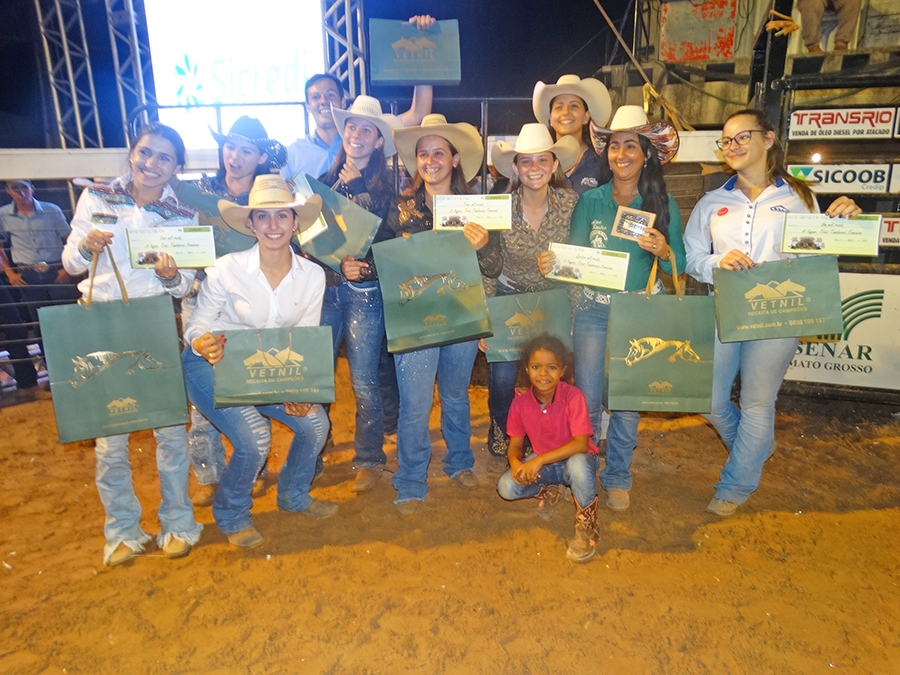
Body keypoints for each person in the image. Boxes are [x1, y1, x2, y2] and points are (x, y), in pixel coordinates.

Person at [684, 108, 860, 517]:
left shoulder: (800, 197)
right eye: (726, 141)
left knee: (757, 402)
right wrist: (716, 262)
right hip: (723, 307)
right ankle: (756, 444)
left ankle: (737, 483)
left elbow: (821, 251)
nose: (733, 146)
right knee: (708, 398)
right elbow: (692, 256)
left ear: (768, 139)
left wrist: (842, 218)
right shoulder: (712, 201)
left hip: (780, 311)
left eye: (742, 137)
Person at [61, 122, 203, 566]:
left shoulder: (182, 216)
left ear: (176, 166)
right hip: (100, 322)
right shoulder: (97, 197)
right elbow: (69, 262)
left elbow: (186, 286)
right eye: (145, 152)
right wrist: (86, 247)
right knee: (111, 440)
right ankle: (122, 531)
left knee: (170, 436)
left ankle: (179, 522)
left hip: (154, 323)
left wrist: (169, 275)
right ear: (132, 153)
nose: (151, 163)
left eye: (164, 157)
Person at [538, 105, 685, 512]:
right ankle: (581, 474)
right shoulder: (591, 202)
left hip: (637, 313)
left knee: (626, 398)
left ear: (646, 154)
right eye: (615, 146)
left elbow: (681, 266)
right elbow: (575, 260)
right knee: (585, 400)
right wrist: (555, 265)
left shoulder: (661, 203)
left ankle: (618, 475)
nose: (621, 154)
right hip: (591, 311)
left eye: (631, 146)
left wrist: (665, 249)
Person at [182, 175, 332, 548]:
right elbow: (199, 323)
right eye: (262, 217)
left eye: (282, 216)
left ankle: (293, 495)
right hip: (212, 364)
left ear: (296, 222)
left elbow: (304, 338)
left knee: (315, 423)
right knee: (255, 438)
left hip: (269, 369)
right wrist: (200, 342)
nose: (273, 226)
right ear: (250, 224)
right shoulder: (225, 268)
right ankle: (232, 514)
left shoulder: (312, 275)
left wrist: (300, 390)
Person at [386, 113, 501, 514]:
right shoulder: (399, 211)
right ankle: (411, 479)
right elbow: (383, 264)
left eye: (439, 152)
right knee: (415, 403)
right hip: (415, 318)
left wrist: (485, 245)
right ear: (416, 162)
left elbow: (494, 266)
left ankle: (459, 462)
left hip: (462, 314)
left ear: (455, 160)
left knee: (454, 394)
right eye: (423, 154)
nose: (430, 160)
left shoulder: (477, 209)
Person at [178, 116, 288, 507]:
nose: (235, 156)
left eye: (245, 150)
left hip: (251, 302)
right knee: (202, 392)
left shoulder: (268, 197)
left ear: (260, 156)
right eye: (230, 147)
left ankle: (254, 467)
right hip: (201, 298)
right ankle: (209, 472)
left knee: (253, 381)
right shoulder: (195, 194)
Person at [309, 95, 402, 493]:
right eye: (352, 127)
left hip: (365, 294)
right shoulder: (324, 182)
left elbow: (389, 242)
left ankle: (369, 457)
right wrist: (331, 262)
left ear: (379, 141)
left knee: (364, 380)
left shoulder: (389, 188)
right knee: (317, 377)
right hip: (325, 292)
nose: (357, 135)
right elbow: (307, 241)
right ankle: (311, 451)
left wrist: (359, 189)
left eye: (367, 130)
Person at [481, 124, 579, 460]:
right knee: (502, 377)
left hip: (554, 301)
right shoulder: (499, 208)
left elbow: (581, 256)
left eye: (542, 160)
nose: (534, 168)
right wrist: (485, 316)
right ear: (515, 168)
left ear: (554, 166)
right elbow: (489, 264)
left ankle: (546, 435)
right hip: (509, 297)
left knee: (550, 376)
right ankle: (501, 428)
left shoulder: (571, 204)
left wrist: (574, 311)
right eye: (526, 161)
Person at [282, 15, 436, 183]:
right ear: (308, 106)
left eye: (330, 95)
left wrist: (422, 43)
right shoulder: (292, 153)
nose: (323, 101)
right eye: (315, 97)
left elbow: (419, 112)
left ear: (343, 102)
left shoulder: (362, 138)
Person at [496, 334, 600, 562]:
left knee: (579, 464)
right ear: (527, 369)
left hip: (575, 459)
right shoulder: (520, 404)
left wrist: (538, 460)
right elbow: (515, 445)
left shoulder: (573, 397)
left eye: (551, 367)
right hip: (545, 463)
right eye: (536, 367)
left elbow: (581, 444)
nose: (543, 374)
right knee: (505, 487)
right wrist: (516, 464)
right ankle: (551, 488)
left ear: (562, 370)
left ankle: (586, 526)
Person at [0, 180, 79, 329]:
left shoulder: (52, 209)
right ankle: (44, 353)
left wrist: (67, 269)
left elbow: (71, 240)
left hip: (56, 271)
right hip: (27, 275)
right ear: (8, 191)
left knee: (68, 317)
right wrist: (10, 274)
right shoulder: (3, 214)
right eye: (15, 188)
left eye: (24, 187)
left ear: (32, 188)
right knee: (39, 323)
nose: (21, 193)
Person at [532, 74, 612, 196]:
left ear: (586, 117)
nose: (565, 112)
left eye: (574, 106)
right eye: (559, 107)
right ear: (550, 119)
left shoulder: (602, 162)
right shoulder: (539, 163)